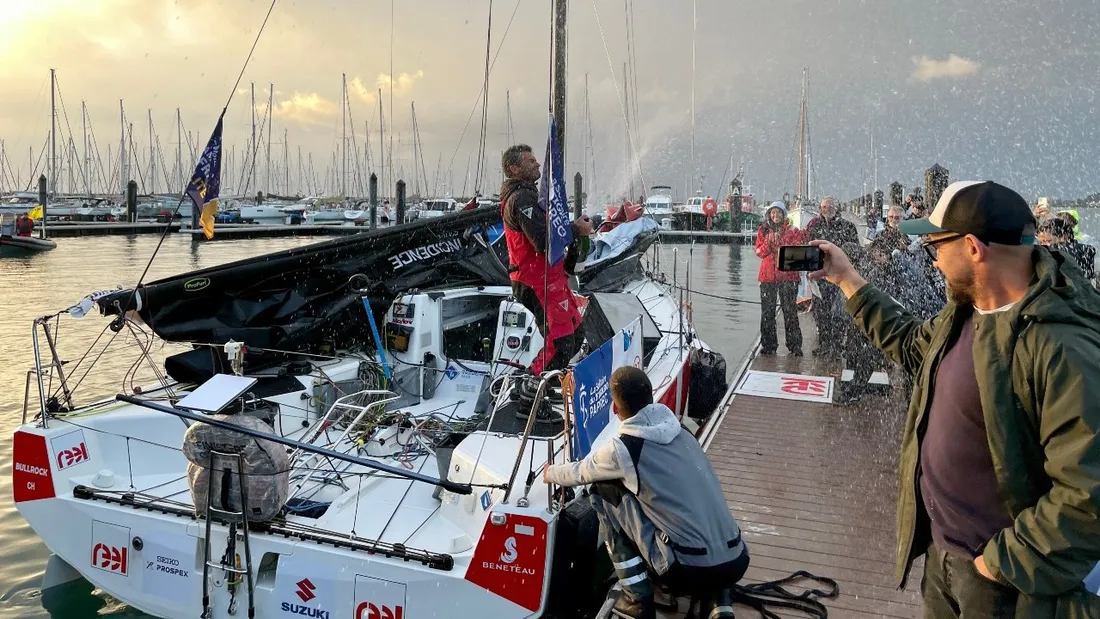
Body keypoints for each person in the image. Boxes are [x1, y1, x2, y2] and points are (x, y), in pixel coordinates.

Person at [809, 180, 1100, 618]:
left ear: (972, 248)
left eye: (935, 247)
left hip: (1002, 582)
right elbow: (911, 344)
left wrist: (999, 563)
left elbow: (1087, 494)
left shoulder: (1060, 347)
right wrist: (847, 280)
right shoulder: (966, 310)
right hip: (944, 555)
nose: (935, 261)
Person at [544, 366, 749, 619]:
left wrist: (548, 472)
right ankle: (719, 599)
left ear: (616, 409)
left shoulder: (625, 448)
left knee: (603, 489)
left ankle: (636, 598)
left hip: (685, 570)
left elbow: (581, 473)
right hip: (736, 559)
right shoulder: (683, 433)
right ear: (651, 399)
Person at [500, 144, 593, 413]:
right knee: (561, 343)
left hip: (550, 279)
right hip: (534, 281)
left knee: (576, 335)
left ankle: (546, 385)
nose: (538, 164)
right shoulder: (521, 200)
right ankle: (527, 396)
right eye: (530, 161)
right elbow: (541, 241)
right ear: (514, 168)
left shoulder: (530, 196)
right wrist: (575, 229)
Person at [804, 197, 858, 358]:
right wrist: (809, 270)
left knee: (839, 314)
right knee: (821, 313)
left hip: (840, 276)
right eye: (824, 207)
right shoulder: (814, 225)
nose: (826, 209)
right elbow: (808, 248)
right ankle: (824, 343)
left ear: (836, 208)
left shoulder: (847, 227)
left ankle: (836, 345)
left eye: (830, 206)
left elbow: (854, 250)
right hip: (820, 275)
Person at [755, 201, 804, 356]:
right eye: (772, 213)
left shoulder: (793, 230)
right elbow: (759, 252)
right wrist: (769, 243)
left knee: (790, 311)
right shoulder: (762, 231)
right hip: (767, 277)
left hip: (788, 277)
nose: (775, 215)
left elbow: (798, 249)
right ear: (769, 214)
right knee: (767, 312)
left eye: (778, 212)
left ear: (784, 214)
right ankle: (769, 345)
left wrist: (781, 241)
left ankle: (795, 346)